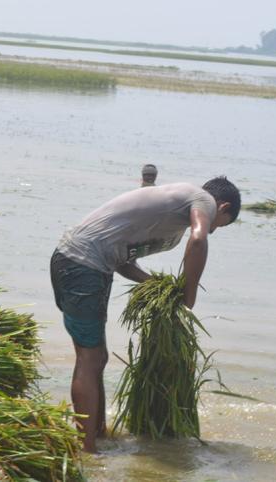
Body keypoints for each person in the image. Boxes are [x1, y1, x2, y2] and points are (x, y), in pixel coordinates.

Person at [49, 177, 241, 453]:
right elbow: (199, 240)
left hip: (82, 264)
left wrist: (154, 284)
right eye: (220, 224)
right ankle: (87, 449)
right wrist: (190, 294)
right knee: (89, 358)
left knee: (96, 357)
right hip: (81, 264)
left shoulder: (174, 217)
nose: (214, 228)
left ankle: (98, 436)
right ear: (223, 207)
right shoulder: (204, 199)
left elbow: (123, 260)